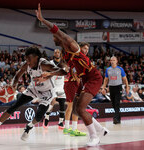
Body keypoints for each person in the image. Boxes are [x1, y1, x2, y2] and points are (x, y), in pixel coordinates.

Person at [36, 4, 108, 146]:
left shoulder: (72, 45)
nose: (53, 38)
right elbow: (64, 71)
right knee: (75, 108)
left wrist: (43, 20)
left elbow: (57, 30)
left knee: (80, 109)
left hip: (93, 78)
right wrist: (49, 74)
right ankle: (100, 129)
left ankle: (94, 137)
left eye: (54, 36)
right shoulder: (65, 54)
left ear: (59, 36)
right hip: (84, 79)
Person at [0, 46, 67, 140]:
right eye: (26, 58)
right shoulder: (26, 65)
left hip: (47, 92)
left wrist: (48, 74)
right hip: (33, 89)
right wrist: (13, 86)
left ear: (36, 57)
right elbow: (17, 76)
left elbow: (62, 72)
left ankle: (29, 127)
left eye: (29, 58)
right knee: (14, 106)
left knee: (39, 116)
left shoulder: (44, 64)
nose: (27, 61)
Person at [43, 49, 66, 129]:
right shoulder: (50, 63)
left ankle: (60, 122)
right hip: (53, 85)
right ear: (54, 54)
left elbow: (65, 74)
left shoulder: (64, 63)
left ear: (60, 54)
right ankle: (46, 116)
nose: (57, 54)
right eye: (55, 52)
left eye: (58, 52)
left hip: (61, 86)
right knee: (52, 102)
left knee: (62, 105)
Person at [102, 56, 129, 124]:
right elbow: (106, 80)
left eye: (114, 60)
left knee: (117, 103)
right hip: (111, 87)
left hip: (118, 87)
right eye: (111, 60)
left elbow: (125, 79)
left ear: (117, 61)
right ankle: (118, 118)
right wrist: (103, 88)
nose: (112, 61)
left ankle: (115, 118)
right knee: (114, 104)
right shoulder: (108, 69)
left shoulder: (120, 69)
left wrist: (127, 87)